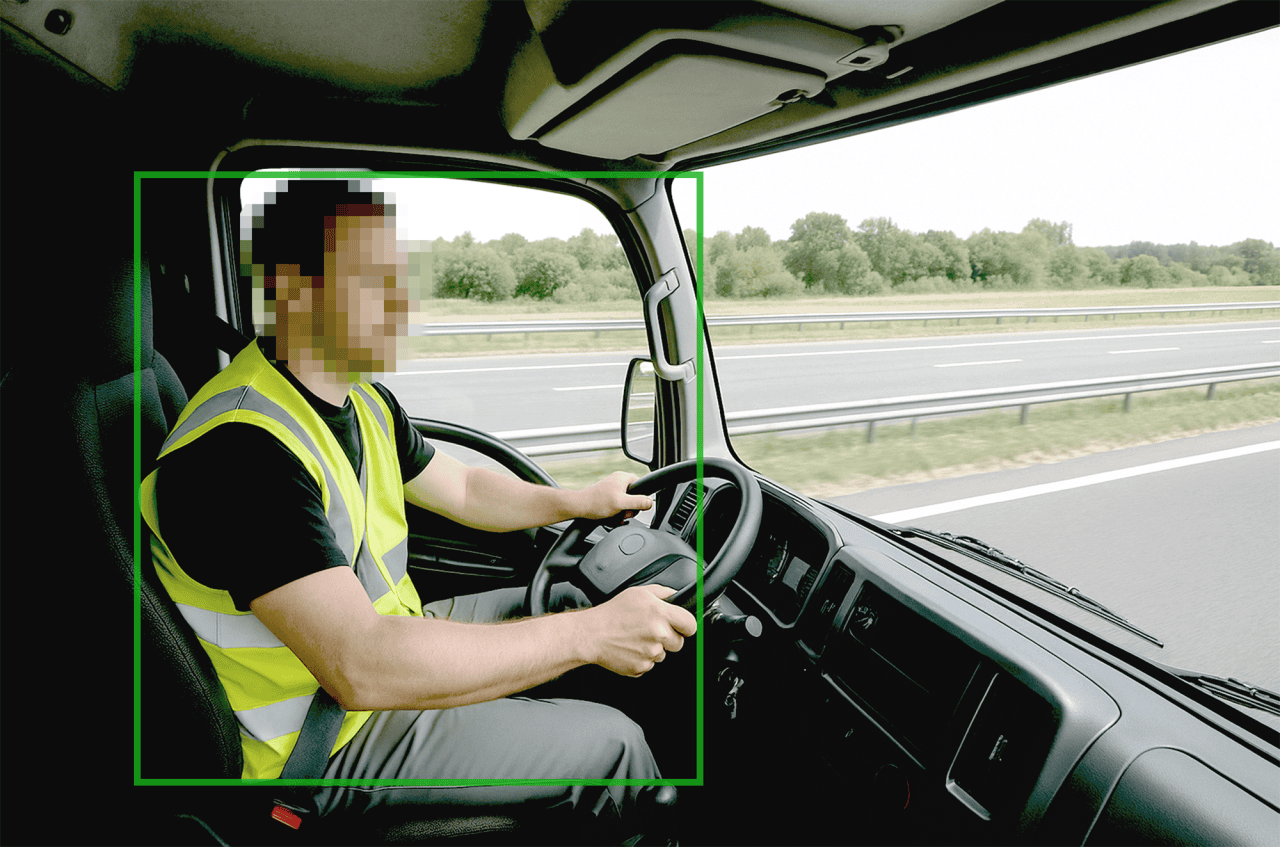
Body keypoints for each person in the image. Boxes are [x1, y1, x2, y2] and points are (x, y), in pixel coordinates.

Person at [139, 179, 696, 838]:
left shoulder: (362, 400)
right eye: (375, 279)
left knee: (561, 602)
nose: (404, 302)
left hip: (375, 638)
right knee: (617, 747)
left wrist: (575, 499)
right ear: (292, 288)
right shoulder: (242, 450)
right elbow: (361, 664)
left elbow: (459, 487)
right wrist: (593, 635)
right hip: (320, 741)